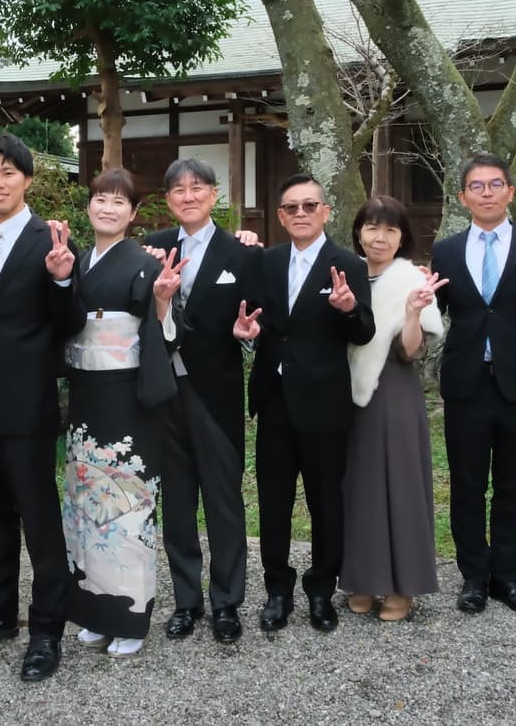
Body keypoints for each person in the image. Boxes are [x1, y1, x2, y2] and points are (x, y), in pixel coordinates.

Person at [0, 134, 86, 682]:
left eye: (7, 173)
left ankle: (47, 628)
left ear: (27, 178)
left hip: (26, 403)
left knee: (39, 520)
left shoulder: (47, 236)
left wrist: (62, 276)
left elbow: (70, 321)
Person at [233, 174, 375, 634]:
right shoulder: (267, 262)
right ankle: (278, 590)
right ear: (280, 215)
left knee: (325, 502)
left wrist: (349, 308)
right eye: (291, 207)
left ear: (326, 212)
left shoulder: (346, 264)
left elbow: (364, 332)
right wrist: (248, 338)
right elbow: (253, 320)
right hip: (274, 400)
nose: (300, 213)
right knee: (273, 502)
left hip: (324, 402)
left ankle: (320, 590)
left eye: (309, 206)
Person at [430, 154, 516, 619]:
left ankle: (507, 577)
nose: (486, 193)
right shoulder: (445, 250)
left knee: (512, 485)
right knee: (466, 485)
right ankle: (472, 577)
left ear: (510, 192)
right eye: (477, 186)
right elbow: (437, 311)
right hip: (466, 382)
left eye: (495, 184)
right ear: (463, 197)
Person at [62, 169, 180, 658]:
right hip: (85, 395)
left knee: (127, 508)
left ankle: (130, 616)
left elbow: (165, 334)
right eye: (100, 200)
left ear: (133, 215)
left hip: (128, 396)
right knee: (85, 504)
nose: (107, 208)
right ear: (89, 207)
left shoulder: (143, 263)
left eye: (118, 202)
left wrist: (163, 303)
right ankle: (95, 610)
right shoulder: (75, 261)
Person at [143, 158, 258, 643]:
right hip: (165, 390)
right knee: (176, 501)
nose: (188, 196)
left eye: (197, 188)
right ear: (168, 200)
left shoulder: (242, 253)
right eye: (178, 190)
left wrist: (247, 335)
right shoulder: (152, 249)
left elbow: (256, 320)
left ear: (215, 195)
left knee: (223, 499)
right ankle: (186, 600)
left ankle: (227, 601)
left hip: (216, 390)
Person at [341, 196, 447, 621]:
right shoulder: (346, 272)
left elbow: (410, 351)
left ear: (402, 237)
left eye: (389, 230)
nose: (379, 238)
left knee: (399, 486)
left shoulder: (410, 279)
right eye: (371, 228)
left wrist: (411, 312)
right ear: (358, 233)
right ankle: (362, 578)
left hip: (394, 390)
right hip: (346, 393)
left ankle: (403, 585)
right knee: (358, 488)